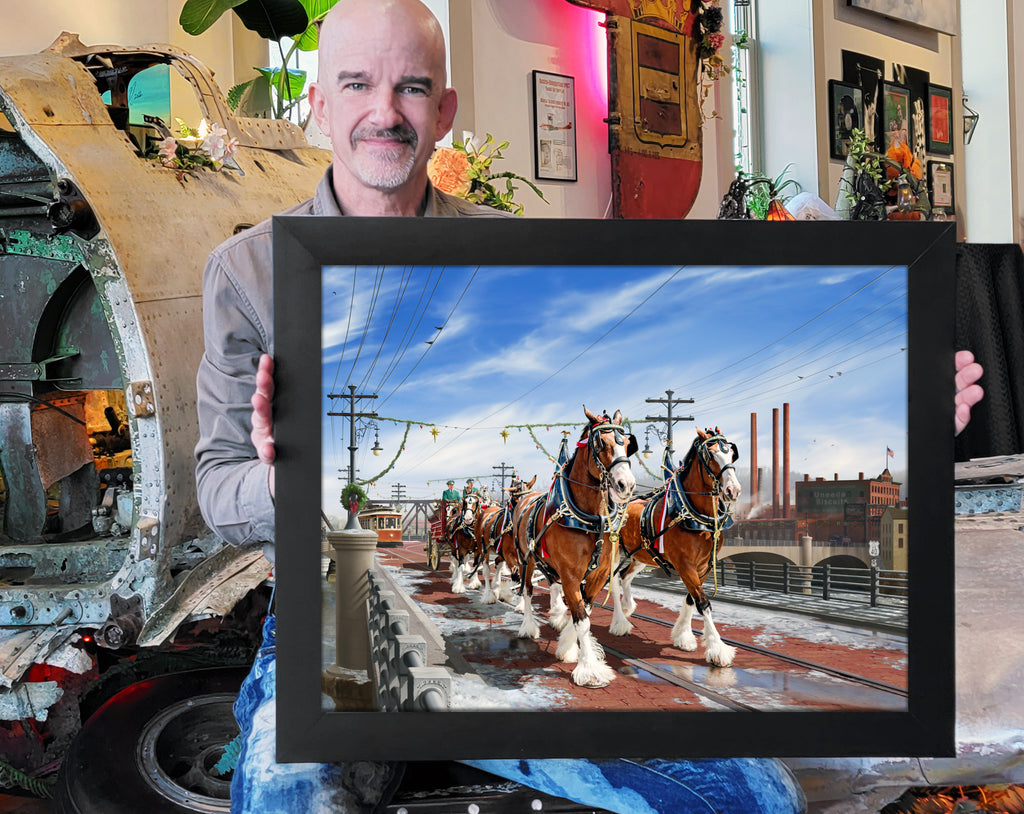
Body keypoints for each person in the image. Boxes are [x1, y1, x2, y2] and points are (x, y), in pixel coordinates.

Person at [195, 1, 804, 812]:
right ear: (319, 105)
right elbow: (215, 489)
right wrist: (280, 478)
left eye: (412, 88)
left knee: (753, 797)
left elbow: (663, 353)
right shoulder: (248, 272)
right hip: (321, 627)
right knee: (285, 798)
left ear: (445, 111)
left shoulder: (513, 253)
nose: (384, 112)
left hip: (489, 648)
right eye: (357, 84)